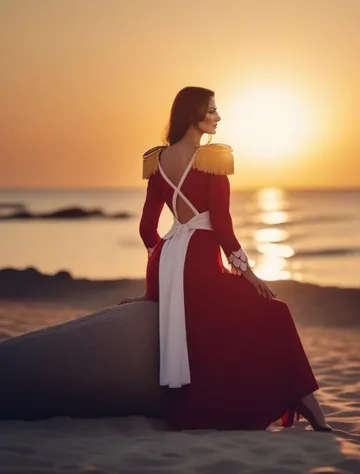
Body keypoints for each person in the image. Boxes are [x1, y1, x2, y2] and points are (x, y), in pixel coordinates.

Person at [119, 86, 331, 432]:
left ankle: (296, 398)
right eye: (212, 111)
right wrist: (250, 275)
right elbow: (221, 226)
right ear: (193, 116)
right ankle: (304, 399)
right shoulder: (213, 158)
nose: (218, 118)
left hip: (170, 260)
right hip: (201, 260)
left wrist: (159, 277)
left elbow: (147, 230)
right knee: (277, 311)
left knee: (217, 329)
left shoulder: (155, 161)